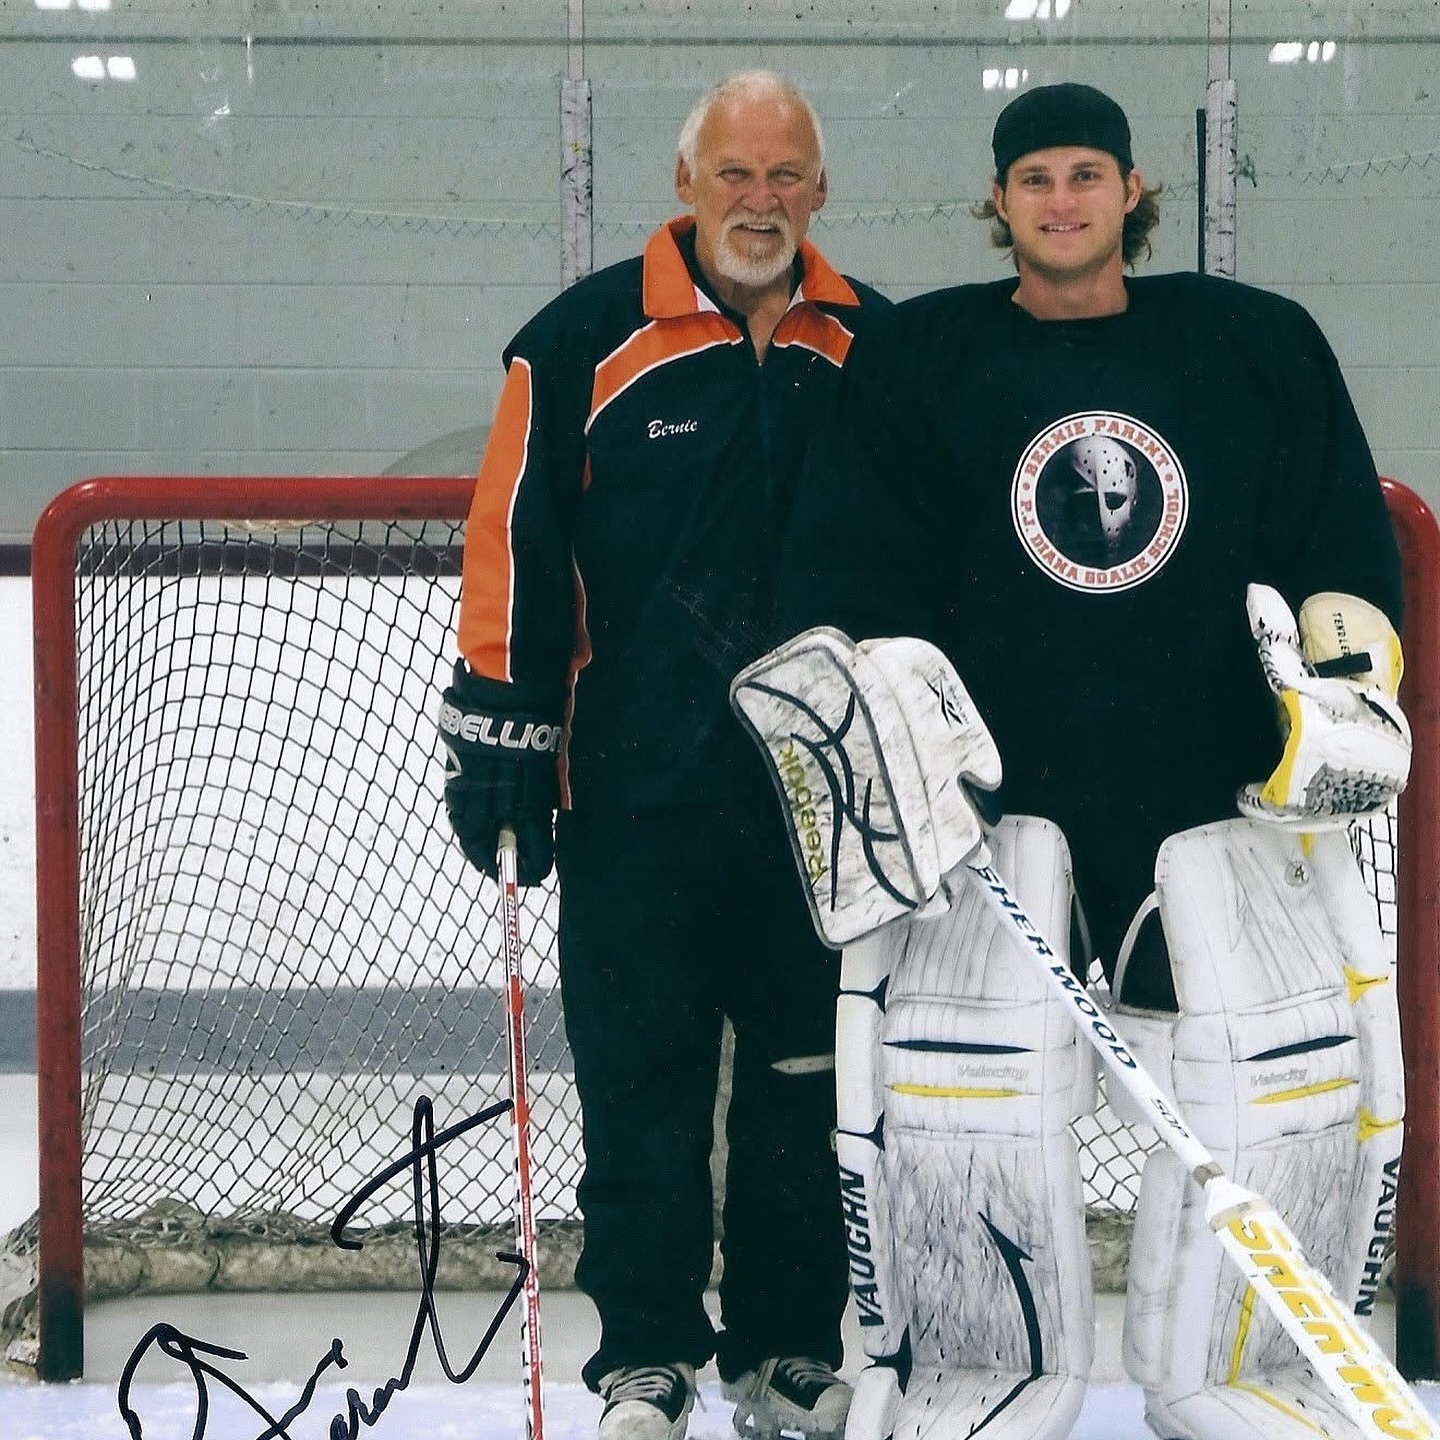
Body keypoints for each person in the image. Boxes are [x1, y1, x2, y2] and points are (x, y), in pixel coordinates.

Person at [752, 83, 1410, 1440]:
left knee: (1282, 1091)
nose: (1062, 200)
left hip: (1219, 811)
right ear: (999, 203)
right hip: (994, 826)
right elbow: (845, 574)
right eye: (1036, 178)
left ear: (1131, 192)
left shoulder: (1254, 344)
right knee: (960, 1111)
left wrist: (1347, 686)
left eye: (1087, 175)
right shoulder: (920, 357)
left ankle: (1251, 1374)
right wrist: (882, 731)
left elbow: (1342, 544)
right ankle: (980, 1376)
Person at [437, 70, 889, 1440]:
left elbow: (926, 552)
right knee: (642, 1087)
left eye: (785, 177)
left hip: (820, 806)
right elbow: (513, 539)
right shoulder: (582, 339)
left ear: (821, 192)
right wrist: (504, 728)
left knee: (808, 1094)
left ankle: (786, 1352)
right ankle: (644, 1354)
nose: (759, 201)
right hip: (640, 793)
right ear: (684, 184)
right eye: (734, 174)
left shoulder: (875, 343)